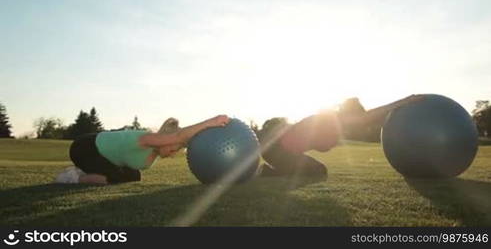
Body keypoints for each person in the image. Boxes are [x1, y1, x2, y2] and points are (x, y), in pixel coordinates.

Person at [258, 95, 425, 178]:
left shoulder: (333, 121)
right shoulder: (331, 119)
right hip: (275, 149)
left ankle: (273, 170)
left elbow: (366, 118)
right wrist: (403, 101)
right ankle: (269, 173)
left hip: (277, 149)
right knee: (317, 171)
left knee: (319, 170)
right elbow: (370, 117)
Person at [54, 115, 230, 185]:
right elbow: (180, 136)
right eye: (173, 148)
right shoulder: (147, 138)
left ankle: (85, 171)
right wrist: (211, 123)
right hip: (85, 148)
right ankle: (74, 177)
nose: (172, 154)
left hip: (103, 157)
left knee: (133, 176)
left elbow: (179, 139)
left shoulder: (152, 155)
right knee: (114, 179)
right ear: (164, 139)